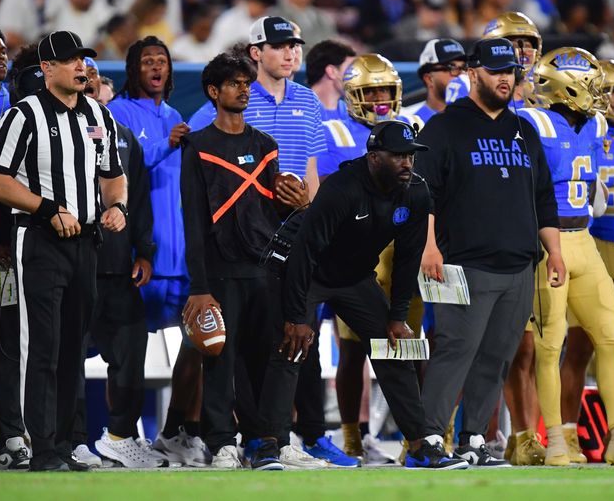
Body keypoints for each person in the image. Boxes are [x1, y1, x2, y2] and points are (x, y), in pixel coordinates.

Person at [254, 119, 467, 471]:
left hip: (354, 278)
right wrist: (295, 317)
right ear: (373, 156)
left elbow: (406, 259)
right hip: (306, 272)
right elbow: (304, 254)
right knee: (290, 348)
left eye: (410, 156)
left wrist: (397, 317)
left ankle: (418, 445)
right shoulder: (341, 189)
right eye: (397, 155)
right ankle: (268, 445)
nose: (406, 164)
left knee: (392, 347)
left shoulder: (416, 192)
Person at [415, 37, 562, 468]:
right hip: (463, 261)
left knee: (496, 357)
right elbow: (421, 190)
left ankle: (473, 439)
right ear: (473, 73)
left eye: (510, 72)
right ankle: (427, 441)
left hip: (518, 265)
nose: (505, 79)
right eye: (496, 71)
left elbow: (543, 196)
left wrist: (553, 250)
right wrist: (427, 247)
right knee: (455, 350)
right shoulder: (445, 126)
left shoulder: (523, 128)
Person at [0, 30, 127, 471]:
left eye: (84, 60)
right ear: (46, 68)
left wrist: (118, 205)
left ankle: (65, 445)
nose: (81, 67)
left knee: (72, 348)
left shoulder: (97, 115)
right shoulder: (23, 115)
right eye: (70, 61)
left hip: (86, 243)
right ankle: (37, 445)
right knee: (39, 348)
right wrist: (47, 208)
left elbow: (112, 173)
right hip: (40, 241)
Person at [518, 47, 614, 467]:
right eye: (592, 84)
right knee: (550, 347)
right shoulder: (534, 122)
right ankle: (556, 443)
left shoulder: (595, 122)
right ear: (569, 87)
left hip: (584, 238)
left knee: (612, 337)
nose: (600, 93)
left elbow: (595, 192)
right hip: (549, 244)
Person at [180, 53, 310, 468]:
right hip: (219, 272)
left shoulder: (265, 146)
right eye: (233, 83)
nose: (243, 90)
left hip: (265, 270)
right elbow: (194, 221)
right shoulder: (197, 146)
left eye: (246, 83)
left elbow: (277, 213)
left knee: (264, 359)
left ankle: (265, 442)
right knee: (219, 359)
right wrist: (199, 286)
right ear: (213, 92)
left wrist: (300, 203)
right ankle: (221, 442)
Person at [106, 36, 208, 467]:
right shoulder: (117, 114)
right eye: (147, 61)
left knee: (202, 343)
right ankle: (121, 435)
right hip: (141, 254)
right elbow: (117, 172)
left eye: (161, 61)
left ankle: (175, 431)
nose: (155, 67)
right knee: (121, 351)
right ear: (133, 70)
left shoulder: (175, 115)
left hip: (180, 253)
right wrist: (166, 143)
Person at [317, 53, 417, 464]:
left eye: (385, 91)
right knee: (354, 347)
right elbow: (324, 190)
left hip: (402, 244)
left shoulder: (410, 129)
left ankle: (417, 436)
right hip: (358, 248)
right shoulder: (333, 129)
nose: (378, 99)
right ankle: (352, 436)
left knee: (411, 343)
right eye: (370, 91)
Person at [74, 58, 160, 468]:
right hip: (70, 265)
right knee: (64, 358)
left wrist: (144, 251)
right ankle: (69, 440)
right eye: (82, 74)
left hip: (118, 267)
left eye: (94, 75)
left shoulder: (123, 136)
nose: (89, 80)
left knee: (130, 354)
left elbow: (140, 199)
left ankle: (120, 436)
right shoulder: (49, 130)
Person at [557, 58, 614, 455]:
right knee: (578, 347)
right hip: (591, 245)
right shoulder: (587, 130)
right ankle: (568, 431)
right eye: (613, 90)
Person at [188, 16, 325, 198]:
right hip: (247, 220)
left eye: (292, 46)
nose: (289, 55)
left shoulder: (309, 100)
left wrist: (311, 217)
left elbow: (310, 169)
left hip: (297, 220)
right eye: (278, 47)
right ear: (255, 53)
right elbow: (195, 150)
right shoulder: (236, 98)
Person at [0, 30, 27, 471]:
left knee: (4, 338)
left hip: (10, 251)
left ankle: (4, 433)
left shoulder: (14, 106)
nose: (1, 57)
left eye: (3, 51)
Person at [401, 38, 466, 129]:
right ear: (429, 79)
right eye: (452, 67)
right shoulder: (413, 124)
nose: (461, 75)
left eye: (464, 68)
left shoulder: (476, 116)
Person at [305, 39, 356, 121]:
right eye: (351, 69)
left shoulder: (353, 114)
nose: (357, 75)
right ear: (331, 72)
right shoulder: (296, 113)